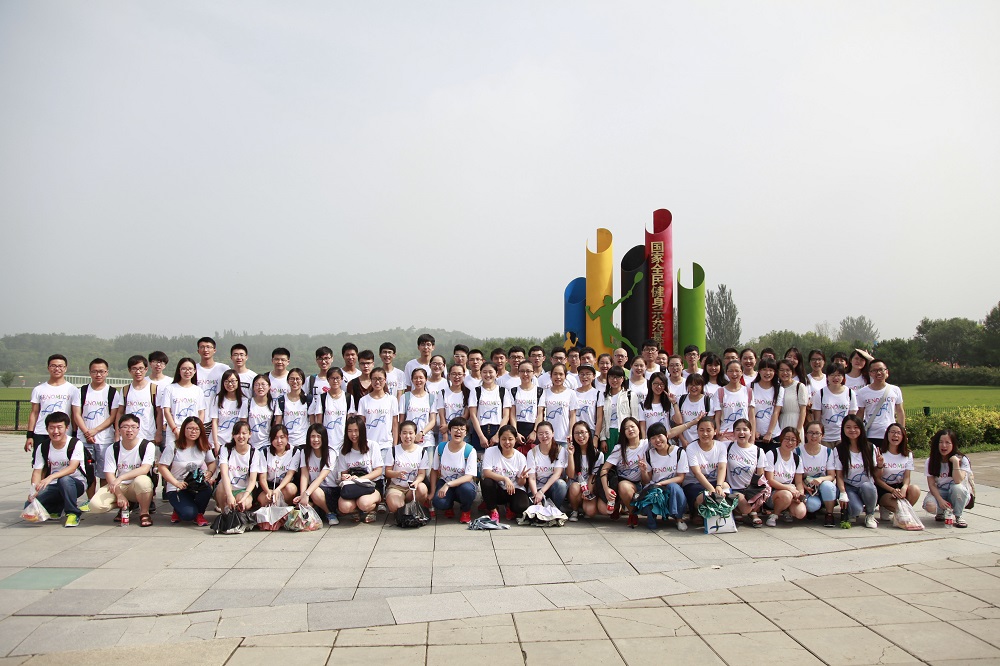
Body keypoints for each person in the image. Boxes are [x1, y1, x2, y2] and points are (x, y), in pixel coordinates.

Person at [26, 412, 86, 527]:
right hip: (53, 485)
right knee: (29, 506)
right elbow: (37, 472)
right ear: (47, 429)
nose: (56, 431)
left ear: (67, 428)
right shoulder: (43, 446)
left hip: (75, 483)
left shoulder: (75, 443)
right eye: (52, 428)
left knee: (64, 480)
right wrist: (34, 491)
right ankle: (57, 507)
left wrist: (51, 477)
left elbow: (72, 468)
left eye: (59, 427)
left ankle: (73, 513)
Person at [72, 358, 117, 502]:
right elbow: (76, 414)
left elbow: (113, 416)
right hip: (84, 439)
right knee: (88, 472)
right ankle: (91, 500)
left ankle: (102, 500)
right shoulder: (81, 391)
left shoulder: (112, 392)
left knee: (105, 472)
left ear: (107, 372)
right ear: (90, 372)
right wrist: (87, 432)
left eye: (101, 371)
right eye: (95, 371)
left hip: (105, 439)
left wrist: (95, 430)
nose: (98, 374)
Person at [159, 416, 217, 526]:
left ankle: (199, 514)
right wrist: (176, 483)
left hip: (195, 484)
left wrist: (209, 473)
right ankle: (179, 509)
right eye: (190, 428)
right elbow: (162, 467)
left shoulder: (204, 446)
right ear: (183, 429)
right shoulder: (173, 446)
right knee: (188, 514)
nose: (193, 432)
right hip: (177, 487)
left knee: (207, 488)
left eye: (197, 429)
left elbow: (212, 463)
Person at [104, 414, 155, 527]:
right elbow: (109, 474)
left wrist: (121, 477)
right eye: (125, 427)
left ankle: (144, 512)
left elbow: (144, 469)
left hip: (136, 485)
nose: (129, 430)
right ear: (119, 430)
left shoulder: (147, 445)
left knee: (143, 481)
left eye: (133, 427)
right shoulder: (112, 448)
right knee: (96, 506)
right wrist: (119, 495)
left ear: (138, 429)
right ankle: (126, 504)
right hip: (120, 486)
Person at [637, 421, 691, 530]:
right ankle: (651, 518)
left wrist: (661, 483)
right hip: (655, 489)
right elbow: (647, 481)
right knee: (651, 492)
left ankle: (678, 518)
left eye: (659, 436)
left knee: (673, 487)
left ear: (666, 435)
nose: (657, 440)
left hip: (672, 488)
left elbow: (680, 478)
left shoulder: (679, 452)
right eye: (653, 438)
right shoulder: (649, 454)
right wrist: (643, 471)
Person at [25, 354, 80, 454]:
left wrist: (74, 432)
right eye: (53, 366)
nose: (57, 369)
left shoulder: (73, 390)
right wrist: (30, 435)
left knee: (63, 460)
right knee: (40, 461)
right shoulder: (39, 389)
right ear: (48, 368)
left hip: (64, 432)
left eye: (60, 366)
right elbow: (34, 413)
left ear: (65, 368)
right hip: (42, 432)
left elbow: (74, 414)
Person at [833, 414, 880, 528]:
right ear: (843, 429)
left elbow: (877, 475)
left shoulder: (870, 448)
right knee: (856, 510)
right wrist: (843, 492)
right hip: (850, 487)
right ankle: (852, 510)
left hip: (866, 486)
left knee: (868, 487)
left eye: (856, 427)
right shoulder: (839, 449)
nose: (852, 430)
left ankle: (870, 514)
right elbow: (839, 475)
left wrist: (880, 465)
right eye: (848, 427)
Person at [336, 414, 385, 523]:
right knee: (344, 506)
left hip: (371, 485)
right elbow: (343, 473)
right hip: (352, 487)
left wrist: (360, 479)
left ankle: (372, 509)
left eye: (356, 430)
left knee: (364, 503)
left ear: (362, 431)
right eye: (350, 431)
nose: (353, 434)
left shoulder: (372, 446)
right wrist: (345, 477)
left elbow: (378, 471)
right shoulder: (343, 450)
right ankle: (355, 510)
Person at [682, 417, 730, 527]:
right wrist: (712, 490)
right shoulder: (691, 448)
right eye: (701, 430)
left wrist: (718, 486)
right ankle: (697, 512)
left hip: (713, 481)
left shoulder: (721, 446)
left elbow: (722, 467)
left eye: (708, 430)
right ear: (697, 431)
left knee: (725, 486)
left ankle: (721, 514)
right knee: (704, 496)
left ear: (715, 431)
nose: (705, 434)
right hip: (694, 483)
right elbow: (697, 472)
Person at [598, 416, 646, 525]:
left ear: (639, 428)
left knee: (624, 486)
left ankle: (631, 511)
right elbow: (604, 469)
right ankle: (628, 510)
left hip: (639, 484)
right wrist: (606, 489)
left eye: (632, 426)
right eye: (626, 428)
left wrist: (687, 424)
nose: (630, 430)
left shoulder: (646, 444)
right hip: (620, 485)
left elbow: (667, 434)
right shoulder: (619, 448)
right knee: (603, 509)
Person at [430, 417, 478, 523]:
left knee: (467, 490)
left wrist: (448, 485)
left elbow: (469, 476)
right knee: (439, 502)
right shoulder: (441, 448)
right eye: (455, 428)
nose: (458, 431)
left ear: (466, 433)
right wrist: (432, 492)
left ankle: (466, 510)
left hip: (463, 484)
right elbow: (434, 470)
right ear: (449, 431)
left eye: (462, 429)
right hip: (445, 481)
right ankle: (448, 506)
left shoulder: (470, 450)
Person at [481, 424, 531, 521]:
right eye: (503, 439)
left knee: (522, 506)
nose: (507, 442)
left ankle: (509, 507)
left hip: (514, 489)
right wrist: (505, 478)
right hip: (497, 489)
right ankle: (493, 510)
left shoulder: (520, 457)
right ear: (499, 439)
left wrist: (522, 478)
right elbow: (486, 472)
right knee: (486, 482)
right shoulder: (490, 451)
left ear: (515, 439)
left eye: (510, 439)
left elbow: (521, 483)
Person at [924, 428, 972, 528]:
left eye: (947, 443)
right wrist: (940, 500)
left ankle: (958, 515)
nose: (944, 446)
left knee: (957, 488)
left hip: (957, 493)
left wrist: (955, 462)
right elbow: (931, 485)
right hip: (940, 492)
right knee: (930, 506)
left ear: (953, 444)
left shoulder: (963, 459)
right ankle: (941, 512)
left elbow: (958, 480)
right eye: (941, 442)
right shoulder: (930, 461)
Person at [214, 420, 263, 517]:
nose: (241, 436)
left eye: (244, 433)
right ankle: (224, 514)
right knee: (221, 486)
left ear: (250, 434)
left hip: (243, 490)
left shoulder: (255, 453)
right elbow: (224, 474)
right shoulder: (225, 449)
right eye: (237, 433)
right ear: (233, 435)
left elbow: (252, 480)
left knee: (246, 503)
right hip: (227, 488)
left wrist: (244, 497)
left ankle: (236, 515)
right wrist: (229, 495)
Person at [725, 418, 767, 527]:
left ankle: (753, 512)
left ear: (750, 432)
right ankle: (739, 510)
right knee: (744, 506)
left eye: (745, 429)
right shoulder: (727, 446)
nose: (741, 432)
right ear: (733, 432)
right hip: (733, 489)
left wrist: (756, 493)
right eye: (738, 429)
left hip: (750, 489)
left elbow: (760, 475)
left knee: (764, 490)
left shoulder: (758, 451)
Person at [856, 359, 905, 449]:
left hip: (890, 434)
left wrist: (902, 431)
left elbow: (900, 411)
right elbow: (860, 413)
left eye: (881, 370)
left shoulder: (895, 390)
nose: (878, 373)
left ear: (886, 372)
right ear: (870, 373)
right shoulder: (862, 392)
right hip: (871, 434)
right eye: (874, 371)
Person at [112, 355, 161, 445]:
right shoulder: (125, 390)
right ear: (129, 370)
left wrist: (159, 433)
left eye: (141, 368)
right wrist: (117, 433)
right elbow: (120, 412)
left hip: (148, 436)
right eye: (134, 369)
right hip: (128, 436)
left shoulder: (154, 389)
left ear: (146, 369)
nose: (138, 372)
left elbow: (159, 412)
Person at [876, 422, 920, 522]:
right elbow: (877, 479)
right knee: (899, 506)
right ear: (887, 434)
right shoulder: (880, 452)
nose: (895, 435)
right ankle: (890, 508)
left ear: (903, 436)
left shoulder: (907, 454)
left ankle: (900, 512)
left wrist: (904, 488)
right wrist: (892, 490)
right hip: (885, 488)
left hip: (899, 487)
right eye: (892, 432)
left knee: (915, 490)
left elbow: (907, 477)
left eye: (898, 433)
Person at [384, 421, 430, 513]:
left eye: (410, 433)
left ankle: (415, 510)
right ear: (400, 434)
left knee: (422, 488)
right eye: (404, 433)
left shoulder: (421, 452)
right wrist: (397, 474)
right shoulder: (393, 450)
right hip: (396, 487)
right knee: (397, 507)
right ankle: (404, 510)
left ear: (415, 434)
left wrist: (417, 482)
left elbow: (421, 473)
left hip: (412, 487)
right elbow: (387, 472)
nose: (407, 436)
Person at [764, 427, 808, 526]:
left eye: (793, 440)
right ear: (781, 439)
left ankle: (786, 511)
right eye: (787, 439)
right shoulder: (772, 454)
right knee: (786, 495)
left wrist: (799, 494)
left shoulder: (797, 459)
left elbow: (799, 482)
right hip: (772, 493)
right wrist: (788, 488)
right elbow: (769, 480)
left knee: (800, 513)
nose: (790, 442)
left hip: (790, 492)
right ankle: (774, 515)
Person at [799, 422, 839, 527]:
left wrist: (821, 479)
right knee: (812, 505)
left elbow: (831, 475)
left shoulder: (828, 452)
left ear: (822, 435)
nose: (814, 436)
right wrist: (804, 486)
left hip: (822, 485)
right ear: (805, 434)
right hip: (808, 488)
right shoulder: (798, 451)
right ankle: (814, 508)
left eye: (817, 433)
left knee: (828, 486)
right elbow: (796, 477)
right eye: (810, 433)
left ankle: (829, 514)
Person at [298, 424, 339, 525]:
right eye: (312, 436)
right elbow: (304, 475)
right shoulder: (305, 452)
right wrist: (302, 496)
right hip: (312, 490)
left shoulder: (331, 453)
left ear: (324, 438)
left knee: (314, 491)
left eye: (318, 436)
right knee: (305, 501)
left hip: (330, 490)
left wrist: (306, 494)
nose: (315, 440)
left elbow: (321, 477)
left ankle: (329, 513)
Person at [161, 358, 206, 449]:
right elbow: (166, 411)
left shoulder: (198, 390)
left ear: (194, 371)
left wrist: (197, 429)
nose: (187, 371)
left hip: (192, 432)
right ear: (179, 371)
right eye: (184, 369)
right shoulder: (170, 388)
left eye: (190, 369)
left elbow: (201, 412)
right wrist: (175, 431)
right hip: (174, 431)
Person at [811, 363, 858, 446]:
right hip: (825, 438)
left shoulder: (850, 393)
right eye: (832, 375)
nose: (835, 378)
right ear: (827, 377)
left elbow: (852, 418)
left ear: (843, 377)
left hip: (843, 437)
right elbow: (817, 419)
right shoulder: (820, 393)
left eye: (839, 375)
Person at [468, 362, 512, 450]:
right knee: (479, 457)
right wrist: (481, 436)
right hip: (479, 430)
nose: (488, 375)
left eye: (491, 372)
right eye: (484, 372)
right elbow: (473, 415)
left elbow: (506, 416)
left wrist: (498, 435)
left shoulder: (503, 391)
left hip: (498, 430)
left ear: (496, 373)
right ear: (480, 373)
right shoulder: (475, 391)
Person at [526, 421, 568, 510]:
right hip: (536, 489)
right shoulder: (532, 453)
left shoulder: (560, 450)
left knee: (561, 484)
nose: (544, 436)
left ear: (553, 434)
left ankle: (555, 509)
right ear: (537, 435)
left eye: (547, 433)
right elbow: (532, 478)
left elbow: (557, 474)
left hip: (551, 488)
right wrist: (537, 496)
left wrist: (542, 492)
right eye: (540, 434)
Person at [566, 421, 603, 521]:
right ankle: (574, 510)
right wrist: (570, 455)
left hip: (589, 486)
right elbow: (570, 475)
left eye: (583, 432)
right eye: (576, 433)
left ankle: (583, 507)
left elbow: (593, 476)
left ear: (589, 434)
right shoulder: (570, 451)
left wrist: (587, 492)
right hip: (576, 486)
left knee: (590, 512)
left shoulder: (598, 454)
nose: (580, 436)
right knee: (574, 487)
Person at [257, 424, 301, 506]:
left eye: (282, 437)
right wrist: (268, 491)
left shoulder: (295, 451)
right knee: (265, 500)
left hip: (284, 486)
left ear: (287, 437)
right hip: (268, 486)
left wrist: (278, 489)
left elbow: (290, 474)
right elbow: (262, 477)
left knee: (291, 489)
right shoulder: (264, 452)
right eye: (275, 438)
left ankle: (286, 508)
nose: (279, 441)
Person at [538, 363, 578, 446]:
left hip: (564, 437)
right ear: (551, 376)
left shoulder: (571, 393)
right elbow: (540, 414)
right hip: (547, 437)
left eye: (561, 374)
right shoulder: (545, 393)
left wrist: (571, 433)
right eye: (555, 374)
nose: (558, 377)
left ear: (565, 376)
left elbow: (572, 416)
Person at [210, 369, 249, 455]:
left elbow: (243, 423)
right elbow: (214, 421)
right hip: (218, 440)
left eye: (233, 381)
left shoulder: (244, 400)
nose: (230, 384)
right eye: (226, 381)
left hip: (235, 441)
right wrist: (216, 443)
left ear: (238, 382)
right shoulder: (217, 399)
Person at [672, 373, 716, 447]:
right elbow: (677, 424)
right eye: (691, 385)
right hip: (684, 443)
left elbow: (711, 424)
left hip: (702, 443)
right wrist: (683, 440)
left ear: (702, 386)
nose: (693, 387)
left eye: (697, 385)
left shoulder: (708, 401)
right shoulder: (681, 400)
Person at [398, 368, 437, 450]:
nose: (418, 380)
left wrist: (421, 433)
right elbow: (401, 421)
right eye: (415, 378)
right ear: (412, 380)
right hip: (409, 440)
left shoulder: (431, 398)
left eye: (421, 378)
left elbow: (433, 420)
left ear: (426, 379)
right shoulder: (405, 397)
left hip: (427, 440)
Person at [715, 361, 754, 442]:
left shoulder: (748, 391)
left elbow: (751, 416)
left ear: (742, 372)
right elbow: (717, 416)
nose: (734, 374)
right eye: (731, 371)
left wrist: (752, 437)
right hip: (725, 434)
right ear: (726, 373)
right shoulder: (720, 392)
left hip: (743, 434)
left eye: (737, 371)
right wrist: (718, 431)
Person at [599, 366, 634, 454]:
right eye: (611, 377)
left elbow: (634, 418)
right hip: (609, 434)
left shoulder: (630, 395)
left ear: (623, 379)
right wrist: (603, 439)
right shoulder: (603, 396)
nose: (614, 380)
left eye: (618, 377)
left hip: (624, 432)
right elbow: (602, 419)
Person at [750, 358, 783, 451]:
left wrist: (769, 433)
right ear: (759, 371)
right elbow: (750, 412)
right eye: (764, 369)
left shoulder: (779, 389)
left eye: (771, 370)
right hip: (755, 436)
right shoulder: (751, 387)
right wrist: (753, 431)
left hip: (773, 435)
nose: (767, 373)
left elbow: (776, 412)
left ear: (775, 372)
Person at [310, 367, 348, 449]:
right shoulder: (322, 398)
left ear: (341, 379)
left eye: (337, 378)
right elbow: (319, 421)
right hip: (327, 442)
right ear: (328, 380)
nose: (335, 381)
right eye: (332, 378)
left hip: (343, 442)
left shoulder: (348, 397)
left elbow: (349, 421)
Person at [510, 361, 543, 451]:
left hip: (533, 429)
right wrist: (515, 433)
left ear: (533, 373)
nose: (525, 374)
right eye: (522, 371)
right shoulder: (513, 391)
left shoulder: (539, 391)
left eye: (528, 371)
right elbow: (512, 414)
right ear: (518, 372)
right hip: (518, 428)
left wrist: (535, 431)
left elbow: (540, 414)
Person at [275, 368, 311, 448]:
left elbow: (312, 423)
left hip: (304, 442)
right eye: (292, 379)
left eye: (298, 379)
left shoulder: (308, 399)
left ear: (303, 381)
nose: (295, 381)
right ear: (288, 381)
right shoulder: (281, 400)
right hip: (287, 443)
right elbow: (278, 424)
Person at [776, 359, 809, 441]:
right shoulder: (777, 387)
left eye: (788, 370)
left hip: (795, 422)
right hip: (781, 422)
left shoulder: (799, 386)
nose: (785, 373)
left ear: (792, 372)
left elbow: (803, 411)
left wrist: (798, 430)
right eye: (781, 370)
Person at [438, 365, 471, 443]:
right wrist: (445, 433)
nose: (457, 377)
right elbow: (442, 415)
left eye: (459, 374)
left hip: (462, 432)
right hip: (446, 431)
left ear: (464, 376)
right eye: (454, 374)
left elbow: (466, 415)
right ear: (449, 376)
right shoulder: (442, 392)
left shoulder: (468, 393)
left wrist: (448, 426)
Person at [195, 337, 229, 405]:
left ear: (214, 350)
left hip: (219, 407)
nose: (205, 350)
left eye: (208, 347)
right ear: (198, 351)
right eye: (202, 347)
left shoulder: (224, 369)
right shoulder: (193, 369)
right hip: (198, 407)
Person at [247, 374, 277, 449]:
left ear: (269, 387)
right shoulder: (247, 403)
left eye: (263, 384)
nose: (260, 387)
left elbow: (275, 425)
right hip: (250, 445)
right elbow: (243, 424)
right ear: (253, 387)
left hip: (267, 445)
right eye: (257, 385)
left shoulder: (274, 404)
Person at [639, 372, 670, 438]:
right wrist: (645, 441)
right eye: (656, 383)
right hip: (650, 440)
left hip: (666, 440)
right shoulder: (642, 405)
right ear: (650, 384)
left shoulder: (668, 403)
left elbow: (678, 421)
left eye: (662, 384)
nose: (659, 386)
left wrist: (674, 403)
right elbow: (643, 428)